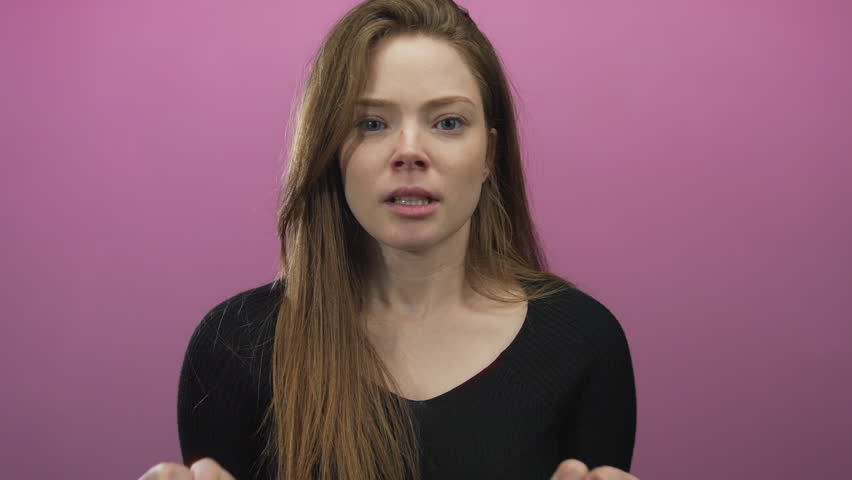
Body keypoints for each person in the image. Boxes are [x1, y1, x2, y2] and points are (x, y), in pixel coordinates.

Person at [139, 0, 637, 479]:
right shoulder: (232, 346)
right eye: (372, 123)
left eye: (447, 122)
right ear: (330, 150)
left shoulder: (584, 342)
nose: (409, 152)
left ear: (489, 153)